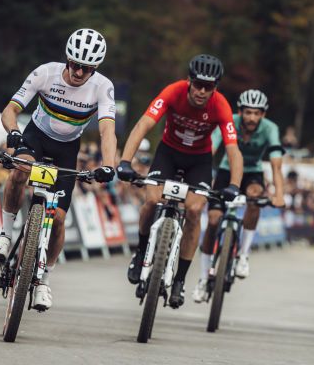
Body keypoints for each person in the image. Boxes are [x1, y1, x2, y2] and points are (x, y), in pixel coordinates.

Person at [0, 28, 118, 312]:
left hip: (66, 149)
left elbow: (108, 132)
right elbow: (9, 110)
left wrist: (108, 165)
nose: (79, 73)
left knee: (58, 218)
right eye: (75, 65)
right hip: (35, 137)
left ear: (95, 68)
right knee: (20, 169)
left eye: (87, 69)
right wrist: (13, 133)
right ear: (67, 59)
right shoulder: (45, 73)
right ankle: (6, 234)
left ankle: (44, 280)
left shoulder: (102, 87)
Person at [116, 54, 243, 309]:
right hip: (168, 154)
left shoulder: (220, 106)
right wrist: (126, 162)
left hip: (199, 160)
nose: (202, 91)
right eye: (198, 85)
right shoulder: (173, 92)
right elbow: (143, 125)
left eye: (209, 87)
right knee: (151, 200)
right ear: (189, 81)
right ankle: (140, 253)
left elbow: (232, 149)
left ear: (215, 88)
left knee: (195, 210)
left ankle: (179, 280)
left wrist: (234, 185)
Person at [192, 89, 286, 302]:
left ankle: (243, 255)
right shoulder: (228, 121)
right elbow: (211, 149)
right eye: (248, 112)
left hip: (253, 173)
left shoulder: (271, 129)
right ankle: (202, 278)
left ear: (263, 114)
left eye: (257, 113)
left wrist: (279, 194)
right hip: (227, 171)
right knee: (214, 220)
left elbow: (276, 164)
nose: (252, 117)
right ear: (240, 112)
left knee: (256, 197)